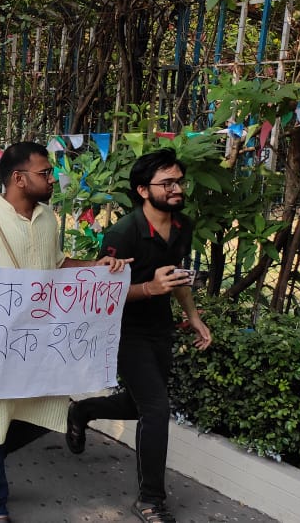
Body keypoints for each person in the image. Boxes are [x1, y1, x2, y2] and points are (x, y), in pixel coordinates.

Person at [0, 142, 128, 523]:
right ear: (18, 178)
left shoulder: (48, 218)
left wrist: (96, 266)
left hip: (42, 343)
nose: (52, 179)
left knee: (49, 413)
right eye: (44, 173)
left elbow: (58, 263)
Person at [66, 149, 212, 523]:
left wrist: (193, 316)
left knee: (138, 406)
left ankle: (84, 410)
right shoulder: (123, 233)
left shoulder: (183, 226)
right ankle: (150, 501)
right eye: (168, 183)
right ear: (144, 190)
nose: (177, 188)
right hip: (122, 330)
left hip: (159, 329)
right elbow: (100, 292)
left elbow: (175, 278)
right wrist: (149, 288)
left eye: (179, 180)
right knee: (157, 408)